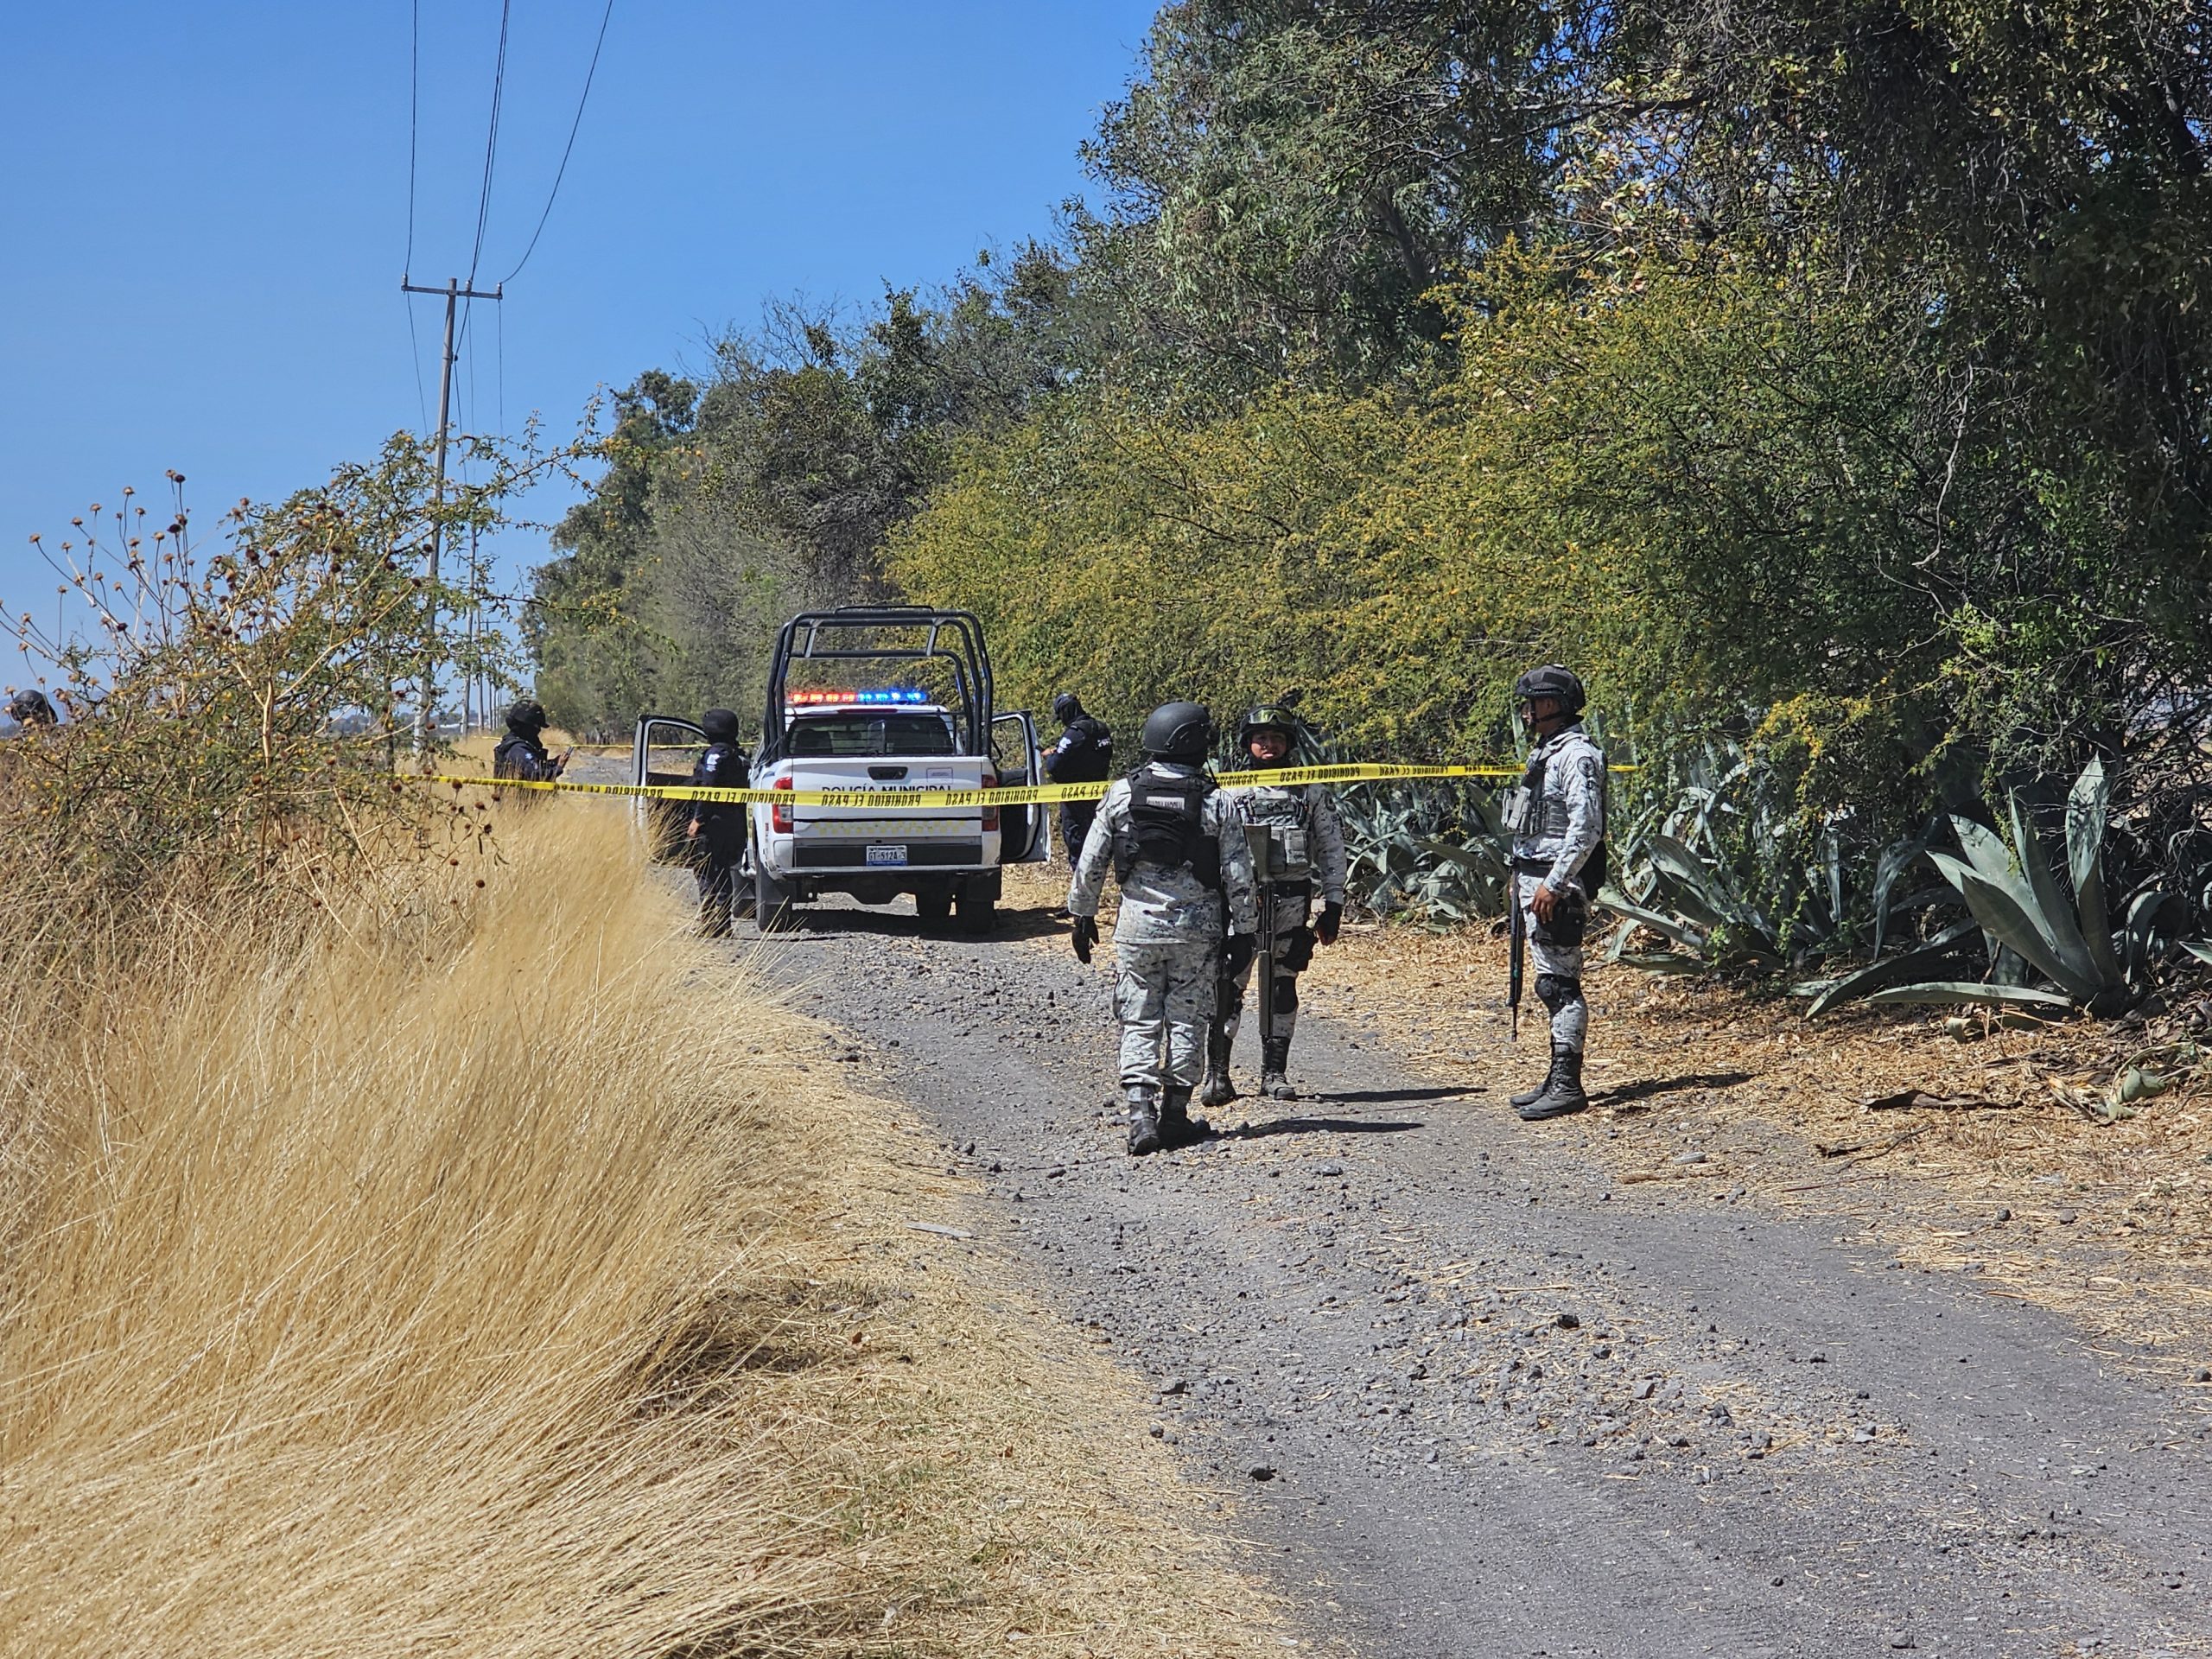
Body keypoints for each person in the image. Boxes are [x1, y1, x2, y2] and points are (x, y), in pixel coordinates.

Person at [1067, 701, 1258, 1156]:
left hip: (1136, 930)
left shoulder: (1120, 794)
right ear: (1191, 742)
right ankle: (1174, 1115)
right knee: (1188, 1019)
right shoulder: (1217, 801)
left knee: (1139, 1017)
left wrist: (1082, 913)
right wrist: (1246, 931)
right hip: (1198, 934)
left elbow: (1091, 861)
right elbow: (1238, 873)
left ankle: (1139, 1115)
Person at [1203, 704, 1347, 1104]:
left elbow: (1332, 848)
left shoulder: (1309, 791)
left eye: (1277, 738)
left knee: (1282, 985)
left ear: (1290, 744)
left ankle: (1274, 1073)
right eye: (1261, 738)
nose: (1269, 745)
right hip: (1240, 903)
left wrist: (1332, 902)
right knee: (1227, 986)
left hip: (1291, 900)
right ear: (1248, 743)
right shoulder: (1229, 791)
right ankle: (1217, 1075)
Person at [1503, 664, 1607, 1121]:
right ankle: (1555, 1076)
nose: (1527, 711)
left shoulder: (1577, 755)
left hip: (1554, 881)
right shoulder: (1547, 751)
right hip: (1535, 875)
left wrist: (1555, 883)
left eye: (1535, 702)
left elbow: (1586, 828)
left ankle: (1568, 1083)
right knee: (1549, 979)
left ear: (1554, 705)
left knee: (1559, 983)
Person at [686, 707, 750, 936]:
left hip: (713, 824)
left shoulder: (715, 755)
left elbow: (708, 789)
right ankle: (723, 924)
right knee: (724, 874)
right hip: (734, 824)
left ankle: (709, 923)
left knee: (706, 872)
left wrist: (698, 820)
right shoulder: (740, 756)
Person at [1042, 692, 1114, 868]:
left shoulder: (1075, 734)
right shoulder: (1101, 728)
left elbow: (1054, 766)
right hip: (1101, 796)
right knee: (1099, 840)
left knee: (1077, 842)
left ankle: (1080, 889)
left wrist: (1050, 756)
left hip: (1076, 799)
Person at [492, 699, 568, 783]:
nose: (538, 730)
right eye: (537, 726)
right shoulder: (518, 749)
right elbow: (536, 774)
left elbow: (533, 765)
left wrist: (553, 763)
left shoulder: (516, 744)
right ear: (527, 726)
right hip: (518, 796)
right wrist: (559, 767)